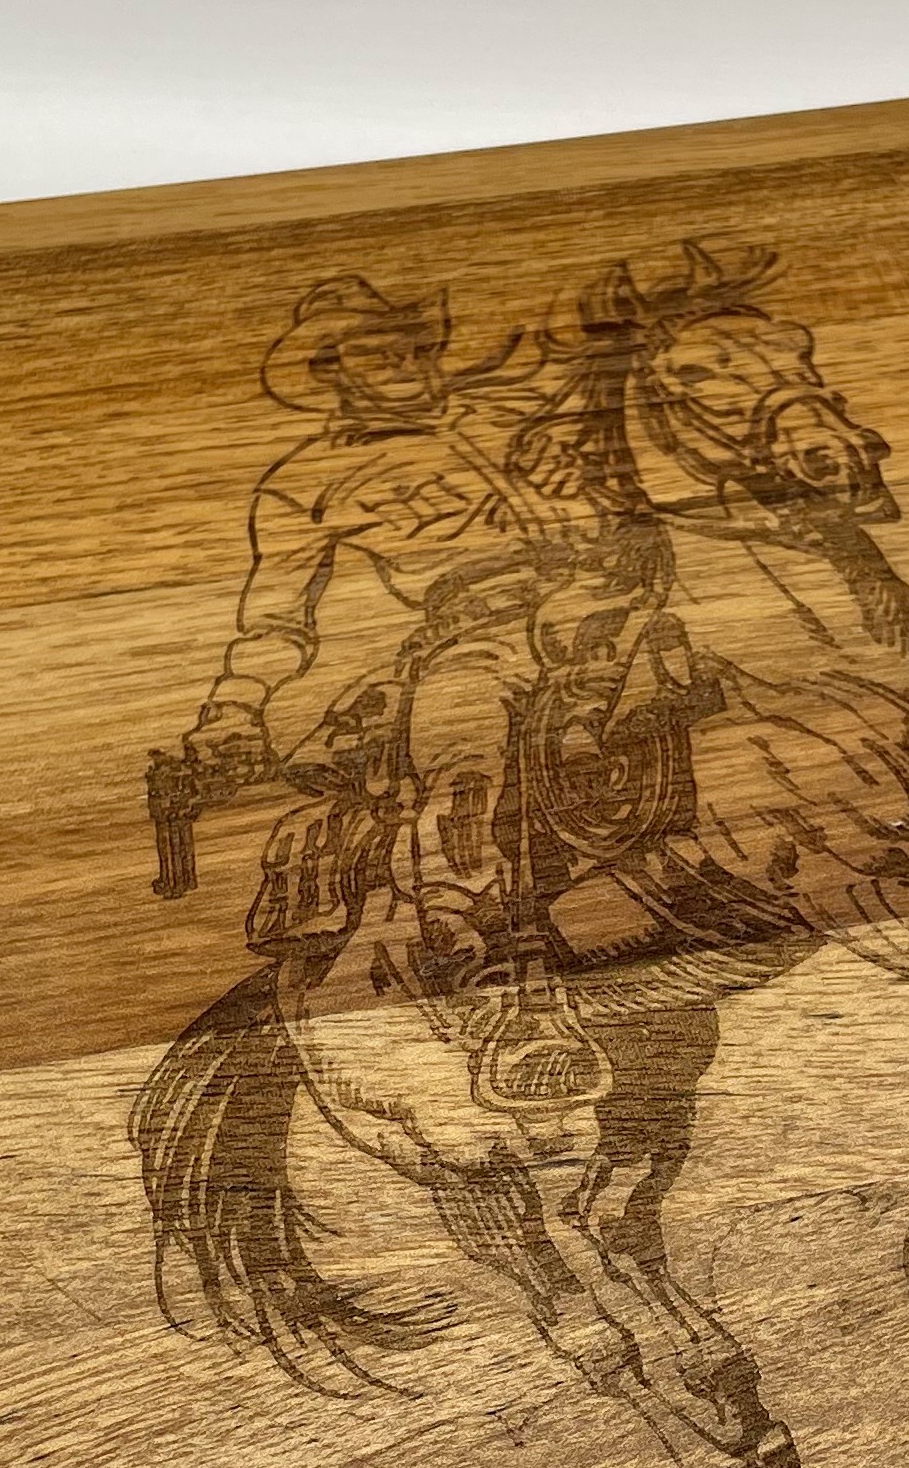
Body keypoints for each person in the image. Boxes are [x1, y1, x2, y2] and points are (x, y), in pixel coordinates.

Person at [173, 275, 610, 1112]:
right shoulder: (307, 481)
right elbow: (276, 620)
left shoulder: (509, 412)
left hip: (616, 597)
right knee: (463, 745)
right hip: (482, 633)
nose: (410, 364)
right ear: (332, 367)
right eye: (382, 353)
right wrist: (231, 710)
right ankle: (496, 982)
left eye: (418, 346)